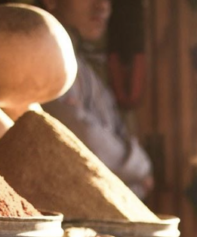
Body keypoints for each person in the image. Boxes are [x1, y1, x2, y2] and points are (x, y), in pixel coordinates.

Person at [41, 0, 153, 198]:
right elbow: (81, 136)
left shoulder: (85, 68)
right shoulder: (43, 56)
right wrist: (140, 167)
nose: (102, 6)